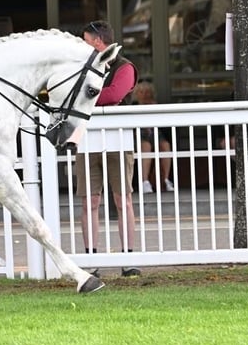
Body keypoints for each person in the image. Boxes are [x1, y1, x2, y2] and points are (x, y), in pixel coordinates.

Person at [75, 20, 141, 277]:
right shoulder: (83, 67)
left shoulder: (125, 67)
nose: (83, 46)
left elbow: (115, 95)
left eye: (86, 41)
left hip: (118, 140)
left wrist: (85, 95)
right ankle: (92, 257)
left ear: (98, 42)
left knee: (121, 198)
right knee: (89, 199)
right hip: (87, 139)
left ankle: (129, 258)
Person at [132, 80, 174, 194]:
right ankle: (144, 182)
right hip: (138, 135)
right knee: (145, 146)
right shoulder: (133, 107)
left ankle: (165, 180)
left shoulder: (156, 106)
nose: (145, 94)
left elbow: (164, 124)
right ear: (136, 94)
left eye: (147, 91)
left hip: (155, 134)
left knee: (165, 145)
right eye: (141, 91)